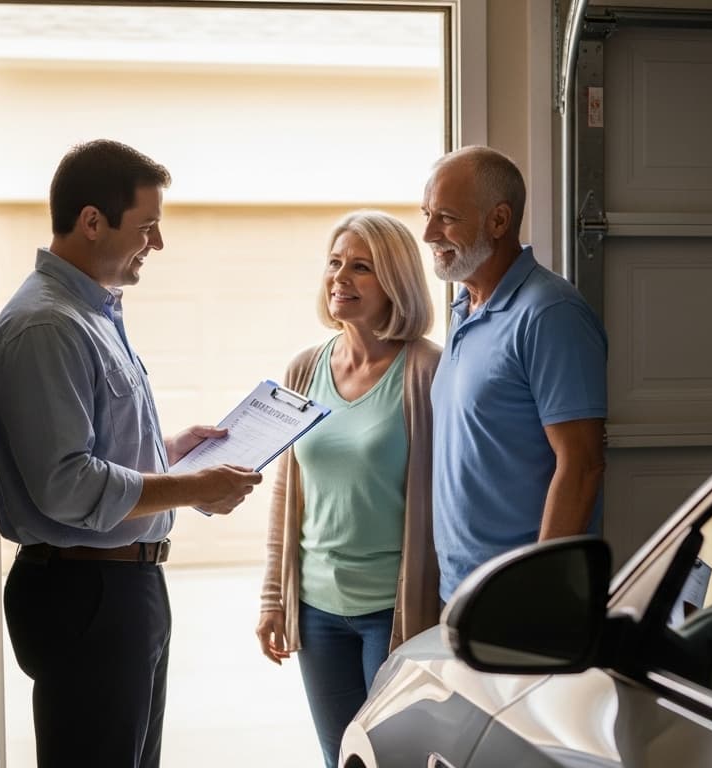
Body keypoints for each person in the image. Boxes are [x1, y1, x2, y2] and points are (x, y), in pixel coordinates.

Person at [0, 139, 263, 768]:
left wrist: (171, 453)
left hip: (121, 587)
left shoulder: (93, 313)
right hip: (87, 594)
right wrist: (193, 488)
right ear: (92, 221)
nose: (156, 243)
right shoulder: (48, 326)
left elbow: (96, 448)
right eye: (146, 226)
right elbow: (68, 484)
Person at [255, 210, 441, 768]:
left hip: (394, 611)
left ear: (396, 282)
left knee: (396, 759)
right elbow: (288, 490)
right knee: (341, 759)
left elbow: (448, 496)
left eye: (361, 267)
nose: (340, 277)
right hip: (316, 611)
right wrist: (273, 598)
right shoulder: (304, 369)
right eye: (335, 263)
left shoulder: (427, 371)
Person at [423, 145, 608, 603]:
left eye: (446, 217)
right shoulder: (466, 308)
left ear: (499, 220)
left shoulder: (551, 312)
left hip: (523, 598)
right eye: (427, 214)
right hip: (462, 591)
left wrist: (537, 590)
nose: (428, 233)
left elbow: (582, 464)